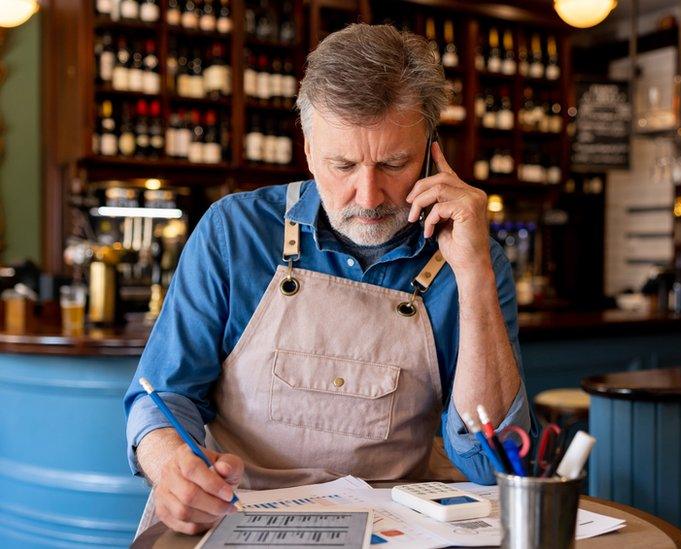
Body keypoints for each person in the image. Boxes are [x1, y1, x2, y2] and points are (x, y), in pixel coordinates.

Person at [123, 23, 533, 535]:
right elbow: (161, 396)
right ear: (309, 150)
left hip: (394, 532)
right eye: (342, 165)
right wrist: (171, 467)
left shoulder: (470, 254)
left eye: (393, 163)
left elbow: (493, 462)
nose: (368, 195)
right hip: (237, 519)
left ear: (431, 150)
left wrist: (472, 275)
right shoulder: (235, 232)